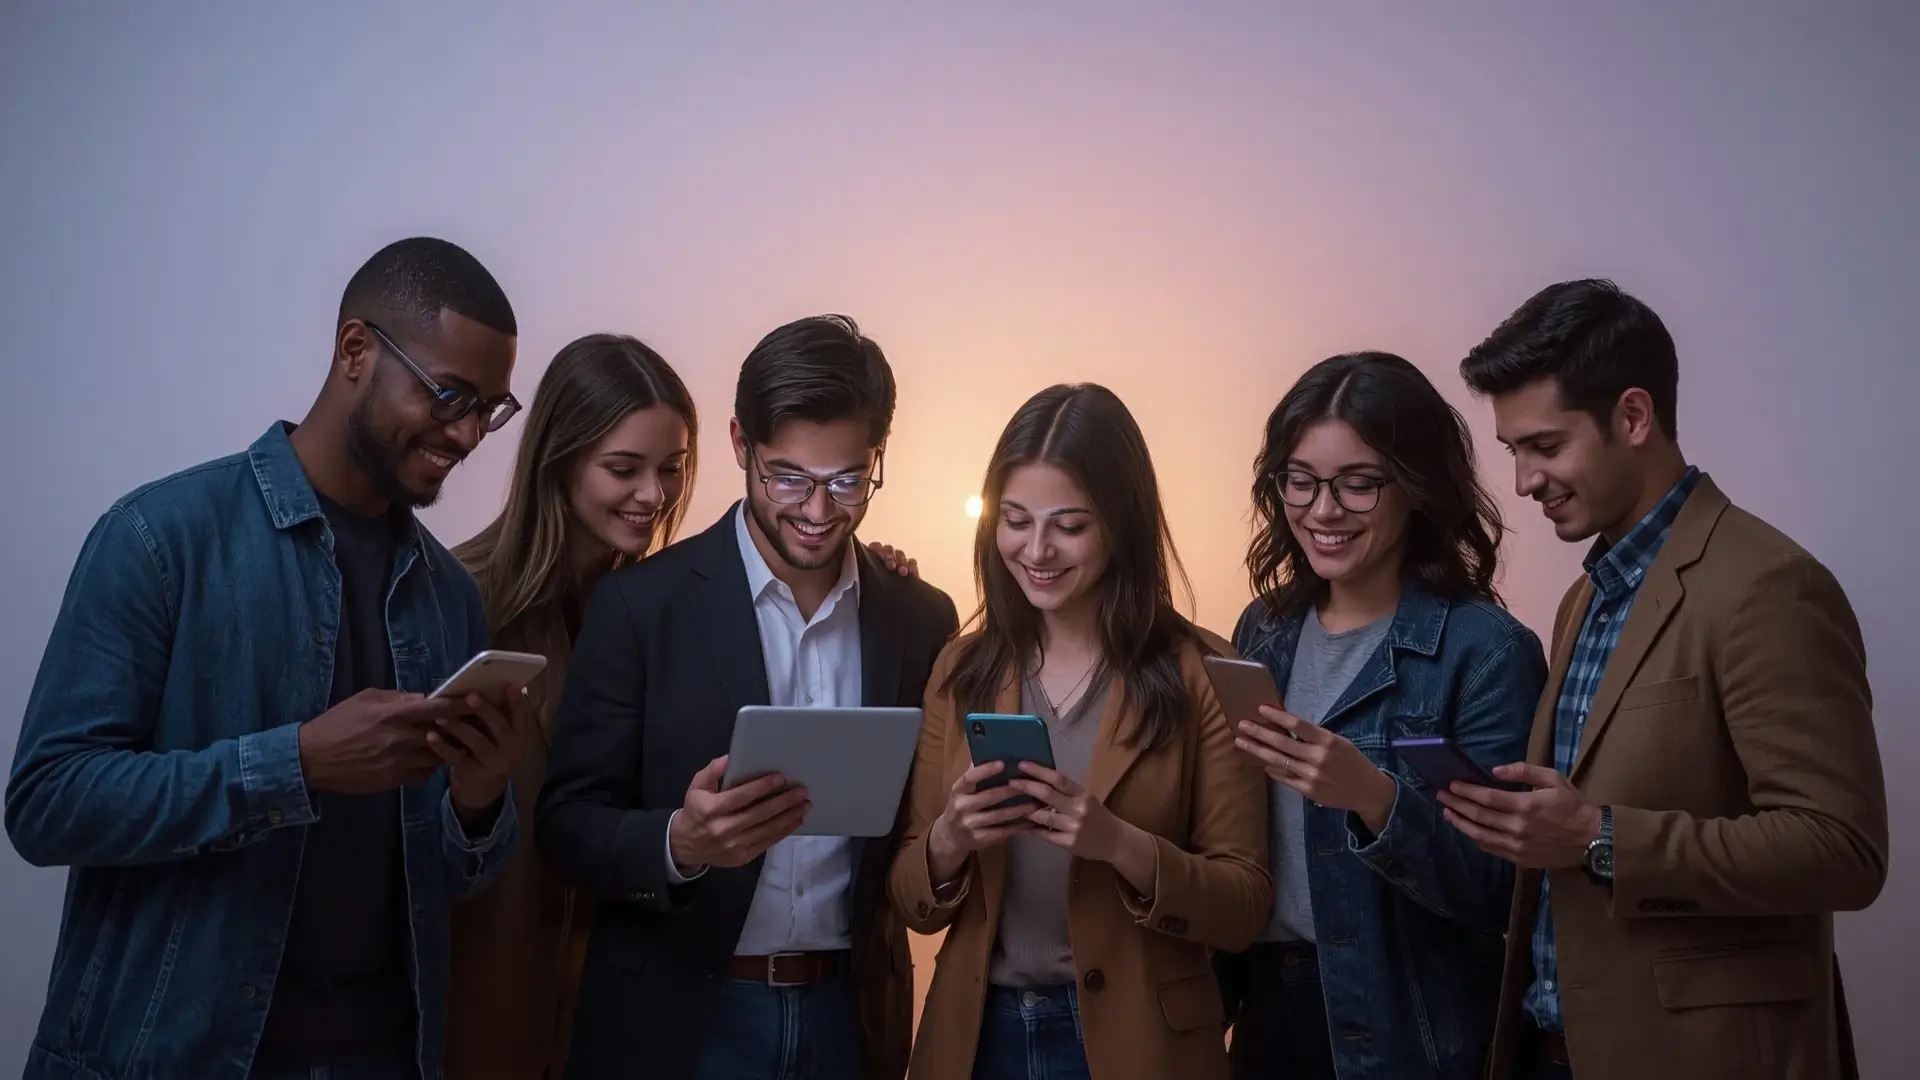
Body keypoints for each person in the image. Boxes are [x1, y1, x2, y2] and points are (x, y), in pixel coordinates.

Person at [5, 236, 534, 1080]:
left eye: (491, 409)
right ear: (355, 351)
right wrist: (296, 765)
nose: (468, 433)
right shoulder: (159, 539)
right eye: (448, 396)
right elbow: (47, 804)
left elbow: (443, 883)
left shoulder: (449, 596)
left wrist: (477, 802)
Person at [444, 333, 928, 1080]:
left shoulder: (920, 616)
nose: (818, 509)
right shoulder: (635, 603)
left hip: (850, 1016)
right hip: (669, 1015)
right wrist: (680, 841)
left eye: (848, 481)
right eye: (788, 478)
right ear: (741, 445)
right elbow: (567, 822)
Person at [1444, 279, 1888, 1080]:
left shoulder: (1769, 587)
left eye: (1545, 446)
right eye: (1514, 452)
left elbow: (1842, 849)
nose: (1524, 481)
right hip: (1554, 1053)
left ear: (1634, 417)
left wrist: (1597, 836)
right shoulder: (1585, 597)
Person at [892, 383, 1272, 1080]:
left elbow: (1244, 905)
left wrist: (1119, 844)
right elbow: (912, 900)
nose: (1037, 550)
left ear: (1122, 525)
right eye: (1015, 520)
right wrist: (949, 839)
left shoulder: (1202, 673)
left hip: (1142, 1043)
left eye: (1069, 526)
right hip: (978, 1039)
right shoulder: (960, 668)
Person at [1214, 351, 1547, 1080]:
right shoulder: (1262, 631)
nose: (1323, 510)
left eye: (1358, 484)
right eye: (1300, 480)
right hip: (1268, 1011)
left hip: (1412, 1028)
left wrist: (1374, 796)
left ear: (1418, 488)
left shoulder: (1485, 651)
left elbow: (1500, 891)